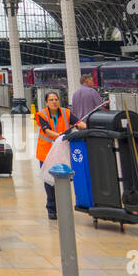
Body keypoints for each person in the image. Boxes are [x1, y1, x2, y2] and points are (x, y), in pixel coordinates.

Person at [36, 91, 85, 220]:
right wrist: (62, 135)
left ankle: (63, 207)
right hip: (46, 153)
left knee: (64, 180)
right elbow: (47, 131)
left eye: (56, 99)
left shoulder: (65, 112)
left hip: (62, 152)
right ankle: (51, 208)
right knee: (49, 181)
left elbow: (79, 123)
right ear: (46, 102)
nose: (54, 102)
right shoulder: (41, 114)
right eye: (51, 100)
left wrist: (82, 126)